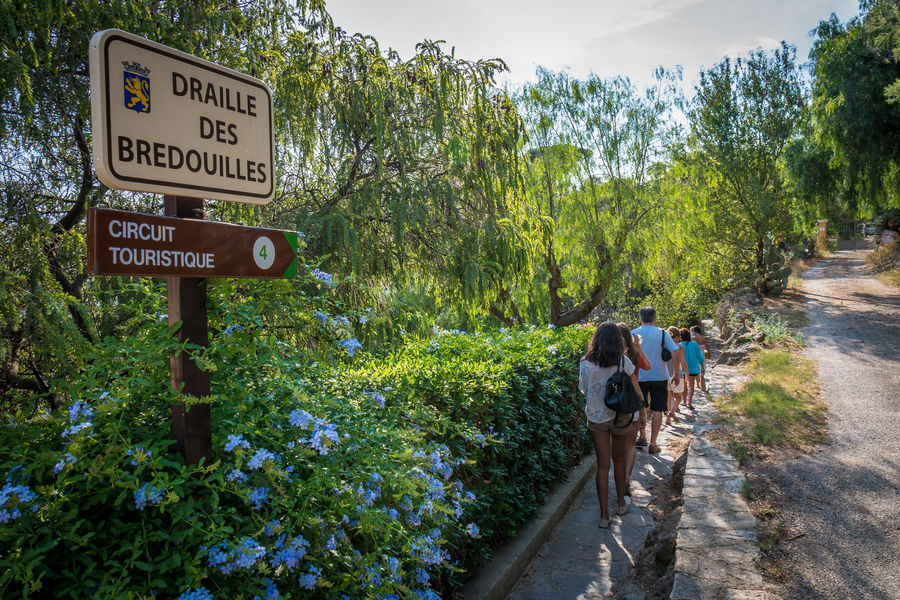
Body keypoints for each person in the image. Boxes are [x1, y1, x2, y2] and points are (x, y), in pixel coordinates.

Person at [579, 322, 643, 528]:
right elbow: (635, 389)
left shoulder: (585, 362)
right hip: (620, 416)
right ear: (618, 340)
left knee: (602, 465)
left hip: (597, 417)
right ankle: (621, 503)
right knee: (619, 459)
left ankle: (604, 516)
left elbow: (583, 390)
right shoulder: (623, 361)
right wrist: (642, 413)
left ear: (596, 339)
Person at [632, 308, 685, 455]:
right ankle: (653, 443)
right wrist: (675, 373)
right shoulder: (662, 333)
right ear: (655, 318)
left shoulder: (633, 333)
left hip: (639, 377)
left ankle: (642, 436)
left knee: (640, 407)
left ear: (641, 319)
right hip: (660, 376)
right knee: (657, 410)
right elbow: (674, 352)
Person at [618, 322, 650, 494]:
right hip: (632, 402)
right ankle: (626, 479)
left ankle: (620, 478)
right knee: (630, 444)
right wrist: (638, 347)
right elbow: (648, 367)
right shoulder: (634, 353)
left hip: (613, 404)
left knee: (618, 446)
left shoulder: (608, 355)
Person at [679, 328, 705, 409]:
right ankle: (690, 402)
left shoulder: (679, 345)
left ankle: (684, 402)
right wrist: (702, 365)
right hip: (693, 368)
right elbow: (700, 356)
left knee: (684, 386)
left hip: (683, 368)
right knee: (691, 386)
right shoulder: (694, 344)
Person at [666, 325, 686, 424]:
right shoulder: (679, 347)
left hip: (665, 374)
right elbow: (683, 362)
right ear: (678, 337)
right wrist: (687, 372)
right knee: (678, 396)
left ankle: (668, 419)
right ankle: (672, 412)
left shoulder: (664, 347)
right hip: (677, 374)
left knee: (669, 397)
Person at [690, 325, 711, 391]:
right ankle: (702, 384)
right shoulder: (704, 338)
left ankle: (698, 384)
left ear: (694, 331)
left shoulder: (693, 338)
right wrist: (709, 355)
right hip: (702, 354)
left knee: (696, 369)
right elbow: (707, 347)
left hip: (695, 354)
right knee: (702, 368)